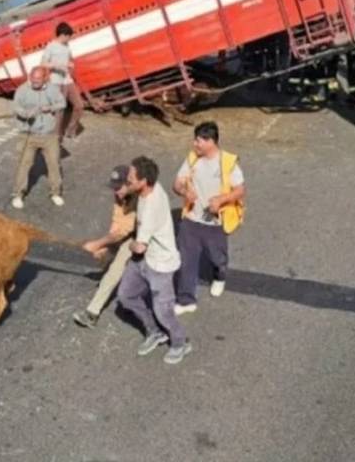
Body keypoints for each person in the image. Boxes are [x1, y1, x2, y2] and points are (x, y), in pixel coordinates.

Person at [117, 156, 191, 364]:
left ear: (143, 182)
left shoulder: (151, 208)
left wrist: (126, 245)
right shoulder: (150, 186)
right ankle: (154, 331)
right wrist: (126, 191)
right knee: (126, 296)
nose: (127, 180)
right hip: (143, 260)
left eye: (131, 179)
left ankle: (180, 343)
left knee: (163, 311)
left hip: (160, 264)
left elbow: (139, 246)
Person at [173, 121, 245, 315]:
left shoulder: (228, 162)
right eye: (195, 140)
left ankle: (219, 276)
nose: (195, 144)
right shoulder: (192, 159)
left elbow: (239, 190)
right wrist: (183, 192)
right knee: (187, 259)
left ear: (211, 141)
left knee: (217, 257)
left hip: (215, 222)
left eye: (199, 141)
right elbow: (177, 183)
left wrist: (222, 199)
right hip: (191, 219)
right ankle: (186, 300)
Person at [73, 165, 137, 328]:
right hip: (128, 232)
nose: (116, 192)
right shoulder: (120, 196)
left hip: (142, 236)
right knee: (109, 257)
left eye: (119, 187)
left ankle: (92, 314)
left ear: (129, 184)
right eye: (114, 188)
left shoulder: (138, 200)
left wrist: (98, 244)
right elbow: (117, 225)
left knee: (115, 270)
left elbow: (124, 231)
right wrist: (106, 249)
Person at [11, 66, 67, 210]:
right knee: (24, 164)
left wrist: (51, 108)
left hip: (49, 135)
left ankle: (55, 193)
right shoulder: (22, 90)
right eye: (33, 78)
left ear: (45, 78)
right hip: (28, 135)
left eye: (38, 79)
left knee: (54, 164)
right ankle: (18, 194)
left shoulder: (52, 89)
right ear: (30, 76)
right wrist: (24, 113)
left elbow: (62, 103)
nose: (35, 82)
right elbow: (16, 107)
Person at [41, 22, 83, 139]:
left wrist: (71, 64)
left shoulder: (66, 46)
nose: (70, 38)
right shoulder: (51, 46)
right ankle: (55, 137)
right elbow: (43, 64)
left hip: (68, 80)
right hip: (56, 82)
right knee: (59, 110)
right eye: (69, 36)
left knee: (79, 105)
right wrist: (56, 66)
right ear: (63, 35)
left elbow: (70, 60)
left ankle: (70, 131)